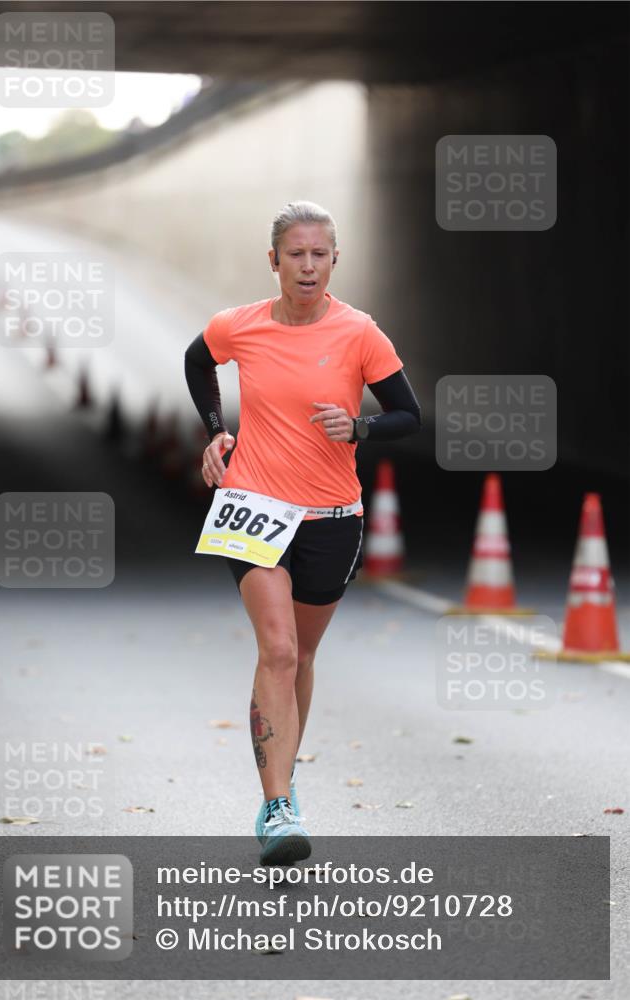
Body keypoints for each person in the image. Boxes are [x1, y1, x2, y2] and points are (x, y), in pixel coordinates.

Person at [184, 201, 421, 864]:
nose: (308, 265)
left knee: (304, 658)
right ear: (274, 262)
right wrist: (215, 432)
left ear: (334, 260)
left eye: (319, 254)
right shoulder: (241, 326)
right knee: (279, 651)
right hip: (252, 506)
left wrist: (361, 428)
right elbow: (196, 361)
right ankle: (278, 804)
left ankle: (282, 782)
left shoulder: (358, 333)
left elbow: (407, 413)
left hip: (332, 516)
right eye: (296, 254)